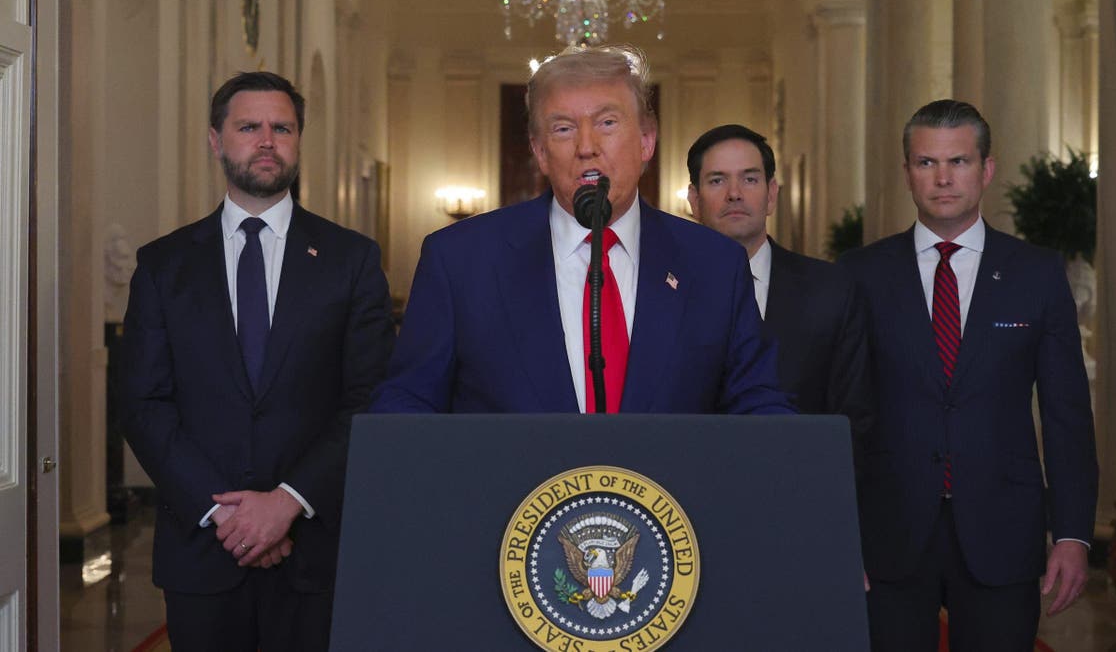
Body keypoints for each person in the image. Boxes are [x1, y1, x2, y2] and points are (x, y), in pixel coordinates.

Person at [119, 71, 394, 652]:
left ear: (297, 140)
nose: (267, 140)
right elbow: (143, 404)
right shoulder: (164, 266)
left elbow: (369, 398)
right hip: (201, 550)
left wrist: (287, 502)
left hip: (316, 552)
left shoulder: (351, 260)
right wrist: (229, 518)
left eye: (282, 128)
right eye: (249, 127)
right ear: (216, 141)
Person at [369, 46, 789, 414]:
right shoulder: (460, 260)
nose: (586, 146)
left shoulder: (714, 264)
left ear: (646, 141)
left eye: (607, 123)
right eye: (563, 128)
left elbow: (755, 403)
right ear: (540, 152)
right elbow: (407, 404)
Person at [838, 99, 1098, 650]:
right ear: (907, 171)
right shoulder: (860, 275)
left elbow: (1067, 414)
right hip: (888, 533)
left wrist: (1073, 533)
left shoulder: (1036, 273)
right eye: (926, 163)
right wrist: (835, 532)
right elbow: (840, 412)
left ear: (986, 169)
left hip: (1003, 530)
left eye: (957, 161)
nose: (943, 178)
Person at [686, 124, 873, 442]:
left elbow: (854, 421)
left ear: (771, 195)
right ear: (694, 199)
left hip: (802, 482)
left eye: (750, 179)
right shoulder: (665, 291)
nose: (735, 193)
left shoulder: (831, 291)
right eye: (717, 180)